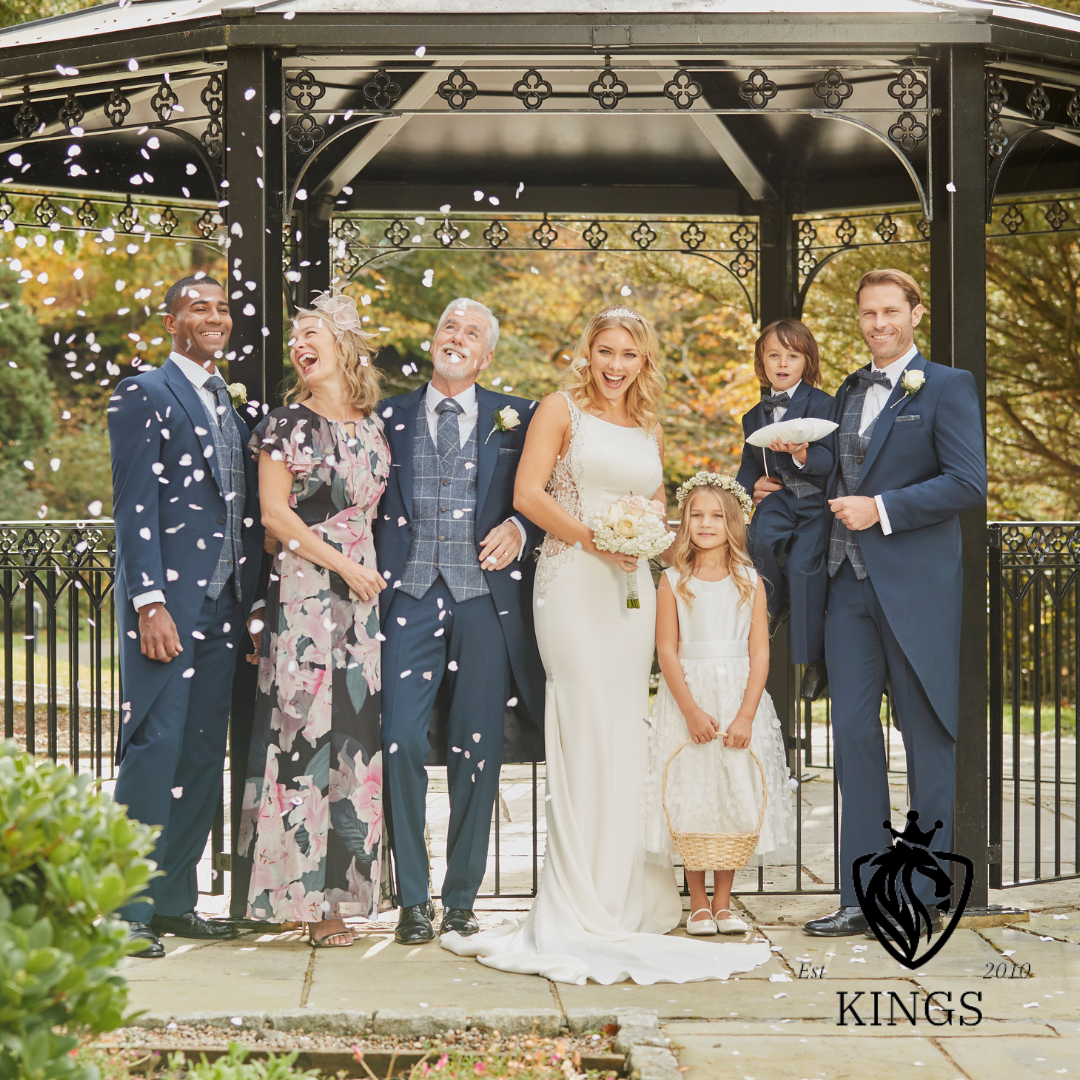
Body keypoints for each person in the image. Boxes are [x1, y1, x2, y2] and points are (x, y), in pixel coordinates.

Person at [440, 306, 771, 984]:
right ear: (588, 353)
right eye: (606, 351)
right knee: (584, 724)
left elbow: (657, 508)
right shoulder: (558, 410)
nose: (616, 365)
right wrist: (597, 538)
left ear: (643, 361)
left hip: (631, 589)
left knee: (625, 730)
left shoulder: (649, 426)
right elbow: (528, 494)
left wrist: (669, 546)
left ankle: (628, 890)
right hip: (572, 582)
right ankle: (580, 895)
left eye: (629, 354)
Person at [802, 269, 986, 939]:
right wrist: (800, 462)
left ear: (915, 313)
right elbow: (843, 470)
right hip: (846, 587)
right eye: (868, 313)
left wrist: (880, 509)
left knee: (926, 736)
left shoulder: (946, 386)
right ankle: (860, 896)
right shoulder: (849, 389)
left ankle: (926, 891)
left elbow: (966, 482)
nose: (878, 323)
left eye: (890, 311)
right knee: (852, 735)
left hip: (914, 589)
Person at [373, 298, 545, 946]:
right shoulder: (385, 416)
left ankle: (462, 899)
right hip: (408, 595)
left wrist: (521, 527)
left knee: (480, 746)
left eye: (472, 333)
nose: (458, 337)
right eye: (450, 326)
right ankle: (413, 899)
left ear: (487, 354)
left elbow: (551, 493)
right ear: (433, 338)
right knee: (400, 740)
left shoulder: (521, 416)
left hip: (483, 601)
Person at [108, 274, 264, 958]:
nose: (215, 317)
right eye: (199, 307)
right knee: (155, 746)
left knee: (202, 752)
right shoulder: (143, 392)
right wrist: (148, 601)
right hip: (168, 608)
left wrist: (252, 602)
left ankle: (173, 901)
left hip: (226, 605)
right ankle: (124, 909)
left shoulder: (232, 405)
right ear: (170, 321)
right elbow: (133, 506)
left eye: (222, 308)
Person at [235, 291, 390, 947]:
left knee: (353, 740)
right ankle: (301, 899)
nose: (299, 345)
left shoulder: (372, 424)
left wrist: (362, 573)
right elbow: (275, 514)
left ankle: (343, 893)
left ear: (343, 346)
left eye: (311, 334)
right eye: (295, 337)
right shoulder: (285, 425)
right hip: (306, 592)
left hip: (362, 601)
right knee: (303, 733)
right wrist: (343, 566)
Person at [642, 474, 795, 936]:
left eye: (716, 516)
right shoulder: (672, 580)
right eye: (696, 515)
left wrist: (746, 714)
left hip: (737, 696)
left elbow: (760, 653)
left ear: (734, 524)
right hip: (689, 695)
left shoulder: (750, 581)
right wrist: (690, 710)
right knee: (692, 792)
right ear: (684, 521)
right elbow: (666, 650)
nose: (706, 524)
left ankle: (724, 902)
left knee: (731, 792)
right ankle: (698, 902)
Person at [736, 320, 834, 702]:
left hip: (814, 500)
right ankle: (774, 604)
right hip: (778, 498)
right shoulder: (753, 415)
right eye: (774, 355)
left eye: (792, 356)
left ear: (806, 361)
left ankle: (815, 661)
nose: (782, 363)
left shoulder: (824, 403)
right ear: (761, 361)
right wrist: (745, 492)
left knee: (802, 568)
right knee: (754, 540)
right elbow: (749, 465)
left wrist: (802, 453)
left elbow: (832, 460)